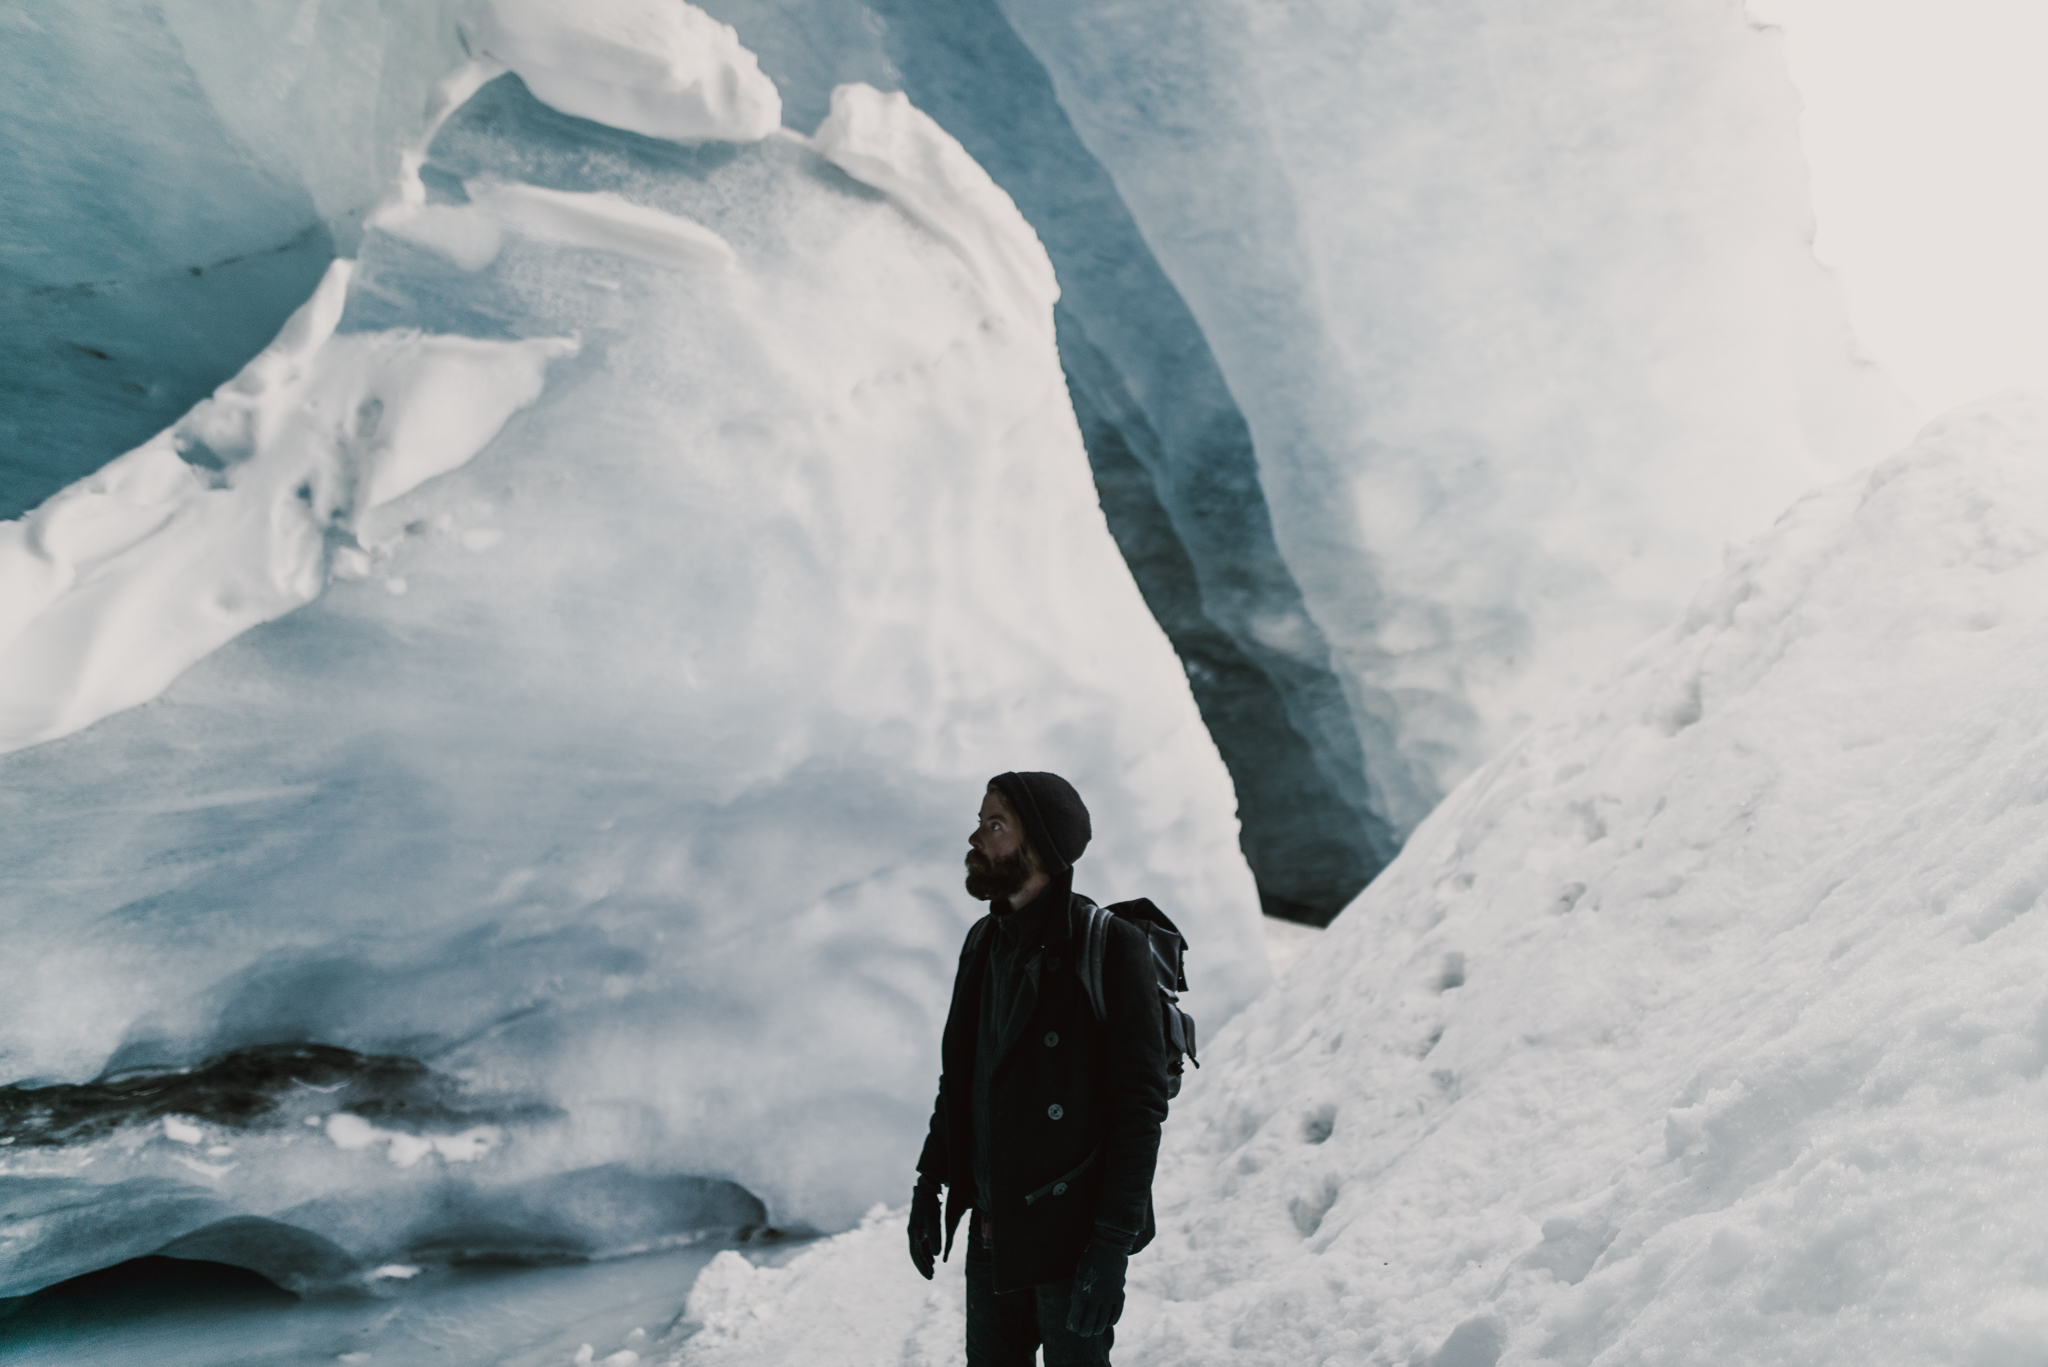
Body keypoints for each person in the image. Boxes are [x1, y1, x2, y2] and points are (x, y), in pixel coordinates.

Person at [907, 771, 1170, 1366]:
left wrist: (1110, 1250)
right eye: (980, 823)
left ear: (1041, 849)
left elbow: (1140, 1110)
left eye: (994, 826)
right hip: (993, 1236)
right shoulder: (983, 942)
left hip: (1073, 1240)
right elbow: (962, 1080)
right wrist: (931, 1182)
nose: (975, 839)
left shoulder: (1109, 946)